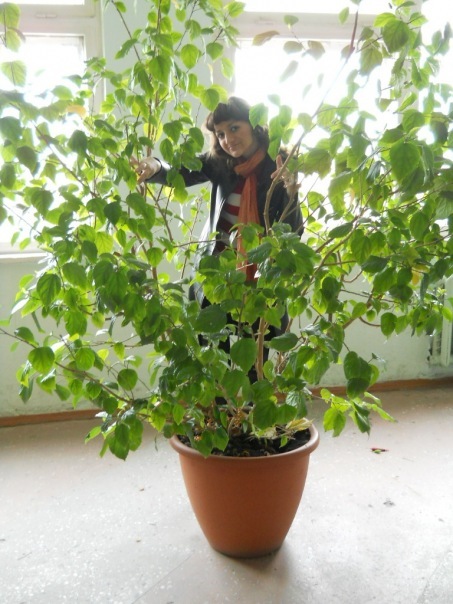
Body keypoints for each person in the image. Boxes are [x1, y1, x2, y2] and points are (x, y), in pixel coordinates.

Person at [134, 97, 303, 377]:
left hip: (259, 276)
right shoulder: (221, 163)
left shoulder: (278, 166)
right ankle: (220, 404)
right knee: (213, 355)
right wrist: (155, 166)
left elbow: (293, 233)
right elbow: (180, 171)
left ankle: (250, 405)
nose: (228, 140)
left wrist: (291, 193)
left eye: (234, 128)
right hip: (218, 275)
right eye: (221, 134)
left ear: (254, 126)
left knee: (255, 356)